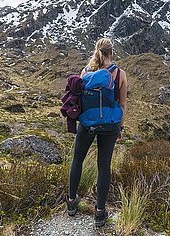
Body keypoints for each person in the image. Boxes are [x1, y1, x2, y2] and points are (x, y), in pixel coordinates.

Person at [66, 37, 127, 227]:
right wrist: (120, 128)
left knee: (77, 159)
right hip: (110, 124)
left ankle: (71, 202)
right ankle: (100, 213)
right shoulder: (119, 74)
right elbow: (122, 104)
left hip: (87, 123)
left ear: (96, 51)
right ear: (112, 53)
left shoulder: (85, 72)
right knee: (104, 166)